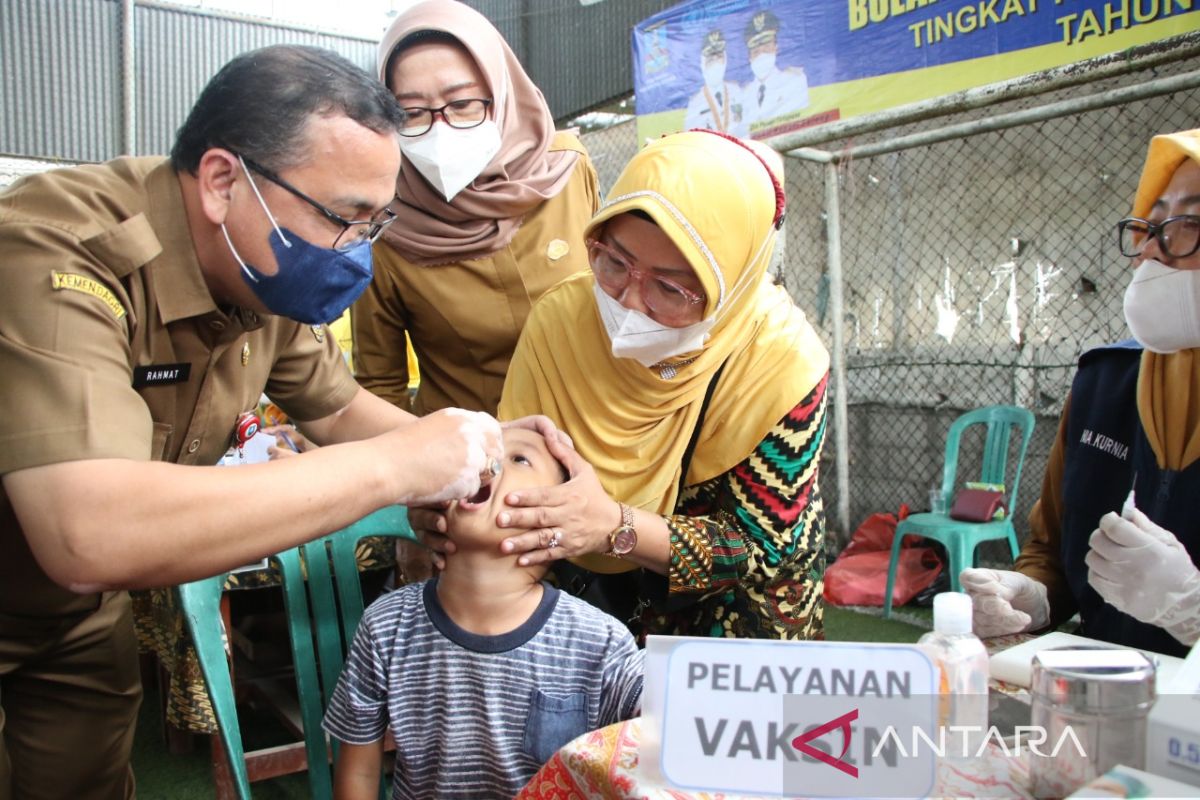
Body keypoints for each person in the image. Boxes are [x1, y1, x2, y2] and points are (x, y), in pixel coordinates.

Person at [0, 45, 514, 799]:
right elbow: (89, 533)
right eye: (344, 217)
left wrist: (482, 446)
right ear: (221, 181)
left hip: (69, 616)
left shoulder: (258, 269)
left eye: (376, 223)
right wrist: (398, 468)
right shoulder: (57, 252)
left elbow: (336, 408)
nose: (355, 252)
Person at [482, 130, 832, 641]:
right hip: (583, 609)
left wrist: (613, 526)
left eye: (670, 288)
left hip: (730, 624)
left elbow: (760, 550)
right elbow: (516, 464)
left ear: (728, 286)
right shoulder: (560, 319)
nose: (628, 302)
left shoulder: (781, 363)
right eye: (614, 262)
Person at [353, 0, 600, 587]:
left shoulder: (566, 171)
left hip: (587, 474)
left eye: (463, 104)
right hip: (467, 502)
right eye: (411, 114)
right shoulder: (384, 227)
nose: (439, 130)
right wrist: (415, 500)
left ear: (502, 89)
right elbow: (375, 386)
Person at [962, 128, 1200, 657]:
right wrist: (1033, 596)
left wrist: (1192, 609)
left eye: (1186, 224)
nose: (1152, 251)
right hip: (1104, 699)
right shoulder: (1104, 382)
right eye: (1150, 224)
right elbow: (1051, 545)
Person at [324, 427, 644, 800]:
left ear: (561, 517)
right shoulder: (387, 626)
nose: (486, 462)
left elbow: (664, 715)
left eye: (519, 458)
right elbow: (359, 774)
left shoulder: (599, 640)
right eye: (478, 451)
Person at [740, 10, 809, 131]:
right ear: (749, 57)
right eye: (756, 50)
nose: (761, 52)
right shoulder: (743, 95)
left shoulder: (794, 81)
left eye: (766, 47)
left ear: (776, 48)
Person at [682, 29, 747, 137]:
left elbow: (747, 128)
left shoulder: (736, 91)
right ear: (703, 64)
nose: (716, 63)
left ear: (725, 60)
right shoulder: (695, 104)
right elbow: (691, 139)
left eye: (719, 57)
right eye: (711, 59)